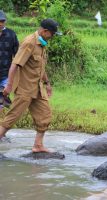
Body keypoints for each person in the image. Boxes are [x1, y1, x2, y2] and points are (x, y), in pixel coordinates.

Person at [0, 18, 62, 152]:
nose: (52, 37)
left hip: (38, 88)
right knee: (12, 118)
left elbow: (40, 67)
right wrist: (9, 85)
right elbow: (15, 64)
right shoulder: (29, 43)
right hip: (25, 88)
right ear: (45, 31)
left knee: (45, 115)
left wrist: (47, 83)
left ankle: (38, 145)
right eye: (52, 34)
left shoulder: (42, 43)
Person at [0, 10, 19, 108]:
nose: (0, 24)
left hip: (5, 74)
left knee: (2, 98)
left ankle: (3, 121)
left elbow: (18, 54)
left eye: (2, 21)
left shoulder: (11, 34)